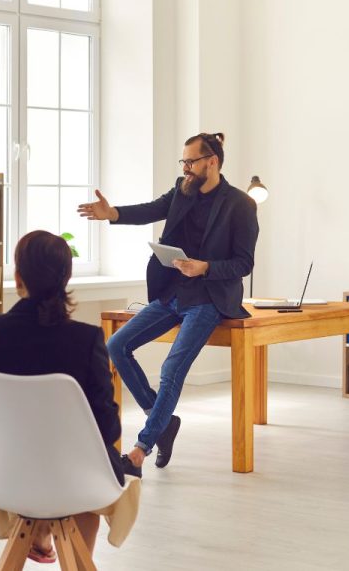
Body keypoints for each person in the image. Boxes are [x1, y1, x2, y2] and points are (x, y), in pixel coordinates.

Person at [78, 132, 259, 476]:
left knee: (170, 369)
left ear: (212, 162)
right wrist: (112, 213)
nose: (186, 168)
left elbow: (244, 263)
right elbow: (151, 210)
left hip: (208, 298)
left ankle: (139, 450)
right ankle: (164, 423)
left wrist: (205, 267)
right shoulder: (182, 189)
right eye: (184, 162)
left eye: (192, 161)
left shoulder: (240, 204)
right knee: (116, 345)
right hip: (171, 292)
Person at [0, 230, 135, 564]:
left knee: (53, 470)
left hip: (1, 474)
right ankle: (73, 558)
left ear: (17, 277)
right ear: (67, 278)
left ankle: (39, 530)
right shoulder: (85, 339)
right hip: (71, 479)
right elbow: (108, 430)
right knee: (93, 475)